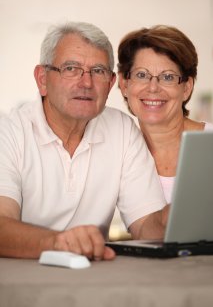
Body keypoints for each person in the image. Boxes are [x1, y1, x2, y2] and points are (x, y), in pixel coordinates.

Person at [0, 22, 168, 261]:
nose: (86, 83)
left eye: (98, 71)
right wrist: (57, 243)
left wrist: (170, 219)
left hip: (92, 279)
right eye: (71, 68)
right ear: (42, 79)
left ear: (110, 84)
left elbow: (146, 227)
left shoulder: (122, 129)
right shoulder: (8, 131)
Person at [118, 25, 213, 204]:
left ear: (186, 88)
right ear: (125, 85)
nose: (153, 87)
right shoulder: (119, 152)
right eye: (141, 75)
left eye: (168, 77)